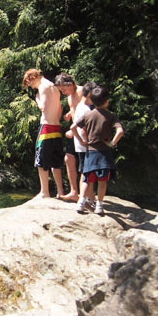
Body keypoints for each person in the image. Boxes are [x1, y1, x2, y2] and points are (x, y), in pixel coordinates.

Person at [71, 85, 124, 215]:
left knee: (87, 179)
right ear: (107, 101)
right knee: (102, 181)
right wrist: (112, 143)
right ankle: (99, 205)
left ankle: (81, 202)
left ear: (93, 101)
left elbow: (73, 127)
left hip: (90, 152)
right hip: (104, 153)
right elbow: (120, 131)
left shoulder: (88, 115)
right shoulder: (111, 116)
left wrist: (82, 141)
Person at [22, 68, 65, 198]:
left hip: (46, 127)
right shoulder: (54, 87)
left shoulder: (43, 87)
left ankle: (44, 192)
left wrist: (36, 98)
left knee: (41, 161)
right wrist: (56, 120)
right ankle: (60, 191)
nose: (32, 87)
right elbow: (60, 108)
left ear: (32, 78)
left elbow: (43, 107)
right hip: (56, 127)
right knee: (56, 161)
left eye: (30, 84)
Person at [55, 73, 84, 201]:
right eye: (61, 90)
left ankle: (85, 195)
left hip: (84, 132)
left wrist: (75, 129)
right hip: (74, 131)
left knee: (84, 164)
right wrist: (69, 114)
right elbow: (76, 110)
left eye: (64, 89)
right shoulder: (70, 97)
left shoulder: (82, 91)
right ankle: (73, 191)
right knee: (68, 159)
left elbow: (88, 112)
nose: (63, 92)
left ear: (70, 84)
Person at [71, 81, 98, 210]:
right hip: (85, 146)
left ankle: (90, 198)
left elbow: (74, 128)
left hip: (81, 145)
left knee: (86, 172)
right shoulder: (86, 110)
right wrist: (86, 141)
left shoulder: (80, 107)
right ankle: (85, 199)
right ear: (89, 95)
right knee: (86, 173)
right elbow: (82, 129)